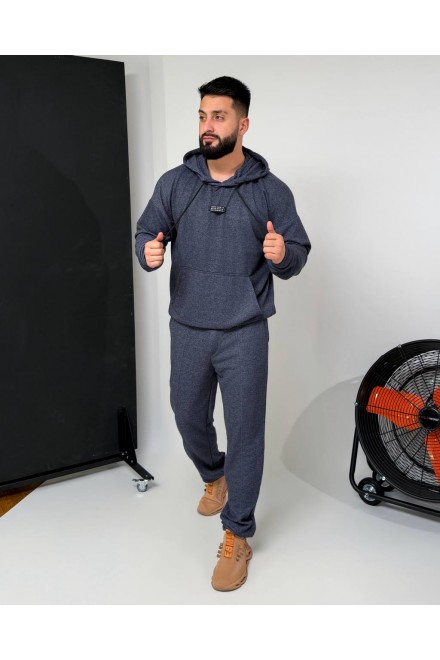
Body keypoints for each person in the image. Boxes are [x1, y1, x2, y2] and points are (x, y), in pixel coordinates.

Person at [135, 76, 311, 591]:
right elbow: (146, 231)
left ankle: (238, 533)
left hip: (244, 332)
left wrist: (283, 255)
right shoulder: (176, 183)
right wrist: (147, 251)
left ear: (243, 123)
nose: (207, 126)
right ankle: (215, 475)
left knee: (246, 432)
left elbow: (298, 251)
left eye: (219, 116)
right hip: (188, 326)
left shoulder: (270, 191)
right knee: (186, 415)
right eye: (202, 116)